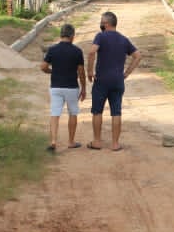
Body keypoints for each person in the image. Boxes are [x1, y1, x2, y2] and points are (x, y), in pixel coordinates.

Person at [86, 10, 142, 151]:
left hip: (101, 80)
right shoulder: (124, 39)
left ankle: (97, 141)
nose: (100, 24)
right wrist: (126, 73)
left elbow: (92, 52)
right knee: (116, 112)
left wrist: (90, 71)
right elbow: (137, 56)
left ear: (106, 24)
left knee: (97, 111)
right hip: (117, 81)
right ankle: (115, 144)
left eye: (101, 22)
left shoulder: (100, 36)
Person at [40, 23, 87, 151]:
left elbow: (43, 67)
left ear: (61, 35)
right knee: (73, 113)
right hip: (71, 87)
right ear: (72, 36)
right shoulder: (77, 51)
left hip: (56, 87)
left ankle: (53, 141)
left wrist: (52, 71)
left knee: (55, 113)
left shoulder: (52, 49)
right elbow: (81, 72)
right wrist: (84, 88)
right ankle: (71, 142)